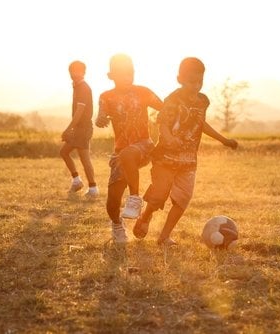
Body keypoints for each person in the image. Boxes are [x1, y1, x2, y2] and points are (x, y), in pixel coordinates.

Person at [133, 57, 238, 246]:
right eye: (192, 81)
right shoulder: (173, 100)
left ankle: (164, 236)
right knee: (159, 195)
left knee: (182, 199)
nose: (196, 86)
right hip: (165, 157)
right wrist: (169, 137)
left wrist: (223, 140)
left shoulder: (202, 102)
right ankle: (146, 215)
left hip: (188, 161)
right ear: (179, 78)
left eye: (200, 81)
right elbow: (163, 123)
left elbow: (201, 124)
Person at [95, 54, 163, 244]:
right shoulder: (106, 97)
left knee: (129, 153)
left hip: (144, 145)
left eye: (130, 73)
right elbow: (100, 115)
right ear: (111, 75)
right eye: (122, 73)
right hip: (121, 150)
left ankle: (135, 198)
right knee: (112, 202)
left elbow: (165, 107)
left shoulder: (143, 92)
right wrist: (100, 120)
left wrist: (165, 119)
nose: (127, 77)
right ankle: (117, 224)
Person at [60, 60, 99, 198]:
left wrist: (68, 129)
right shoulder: (77, 86)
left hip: (83, 128)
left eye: (78, 71)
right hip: (78, 128)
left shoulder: (83, 88)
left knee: (84, 158)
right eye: (72, 71)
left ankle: (93, 188)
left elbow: (80, 111)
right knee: (64, 152)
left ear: (83, 72)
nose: (74, 74)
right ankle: (77, 181)